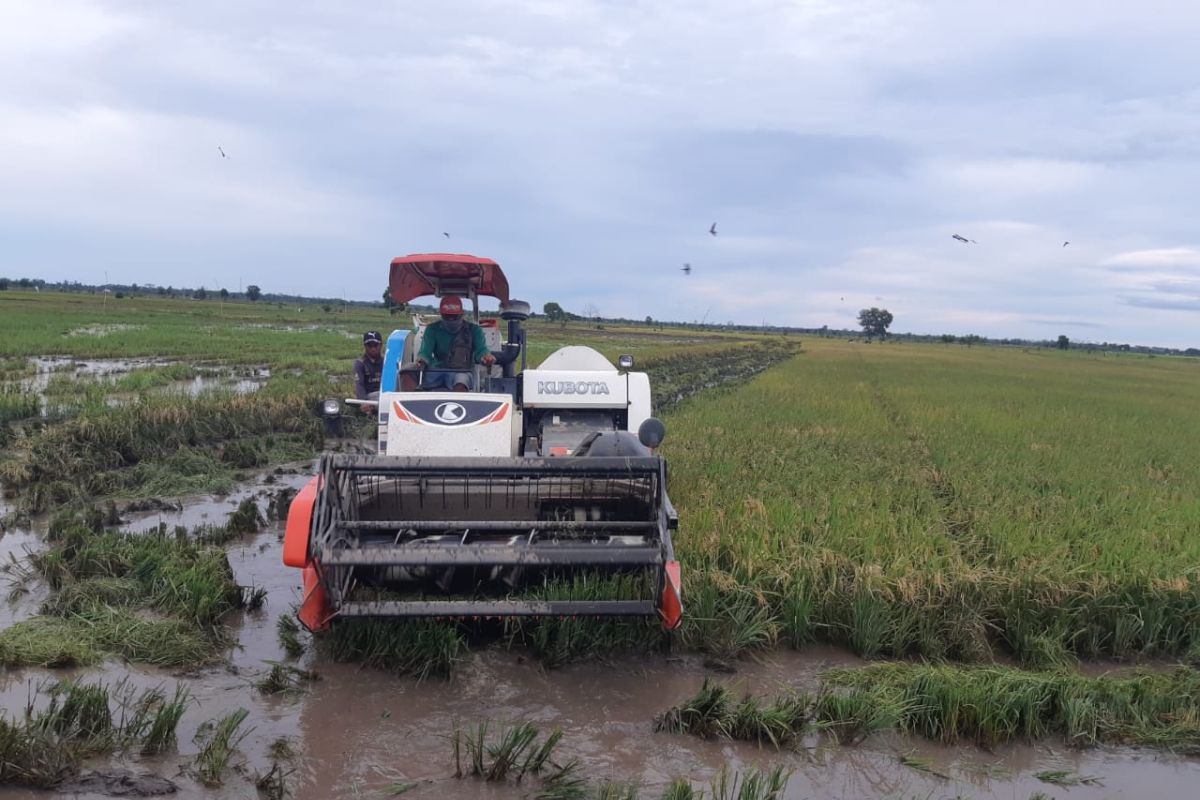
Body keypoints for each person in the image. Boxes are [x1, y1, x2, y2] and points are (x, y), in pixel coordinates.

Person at [416, 296, 496, 391]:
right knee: (407, 371)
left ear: (462, 315)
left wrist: (486, 357)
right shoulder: (432, 329)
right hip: (436, 370)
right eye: (447, 316)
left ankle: (456, 404)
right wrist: (422, 359)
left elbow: (481, 351)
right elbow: (425, 353)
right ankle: (408, 401)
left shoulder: (474, 330)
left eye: (454, 317)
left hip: (462, 371)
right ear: (441, 315)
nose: (451, 320)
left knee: (461, 380)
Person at [354, 331, 384, 413]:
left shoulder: (386, 361)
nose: (373, 348)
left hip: (385, 394)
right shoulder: (360, 363)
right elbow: (359, 385)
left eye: (375, 345)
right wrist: (363, 402)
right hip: (369, 397)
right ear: (365, 346)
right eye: (369, 346)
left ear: (381, 345)